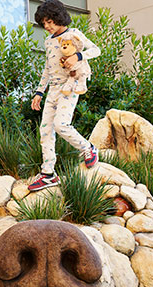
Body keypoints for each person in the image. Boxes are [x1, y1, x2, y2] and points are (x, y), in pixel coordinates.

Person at [28, 0, 101, 191]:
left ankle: (88, 148)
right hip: (52, 89)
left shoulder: (73, 34)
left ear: (59, 17)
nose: (47, 26)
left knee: (61, 125)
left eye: (50, 21)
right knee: (45, 131)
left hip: (71, 86)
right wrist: (38, 92)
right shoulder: (48, 41)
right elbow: (47, 68)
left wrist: (78, 56)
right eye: (44, 23)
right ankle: (48, 174)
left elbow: (96, 50)